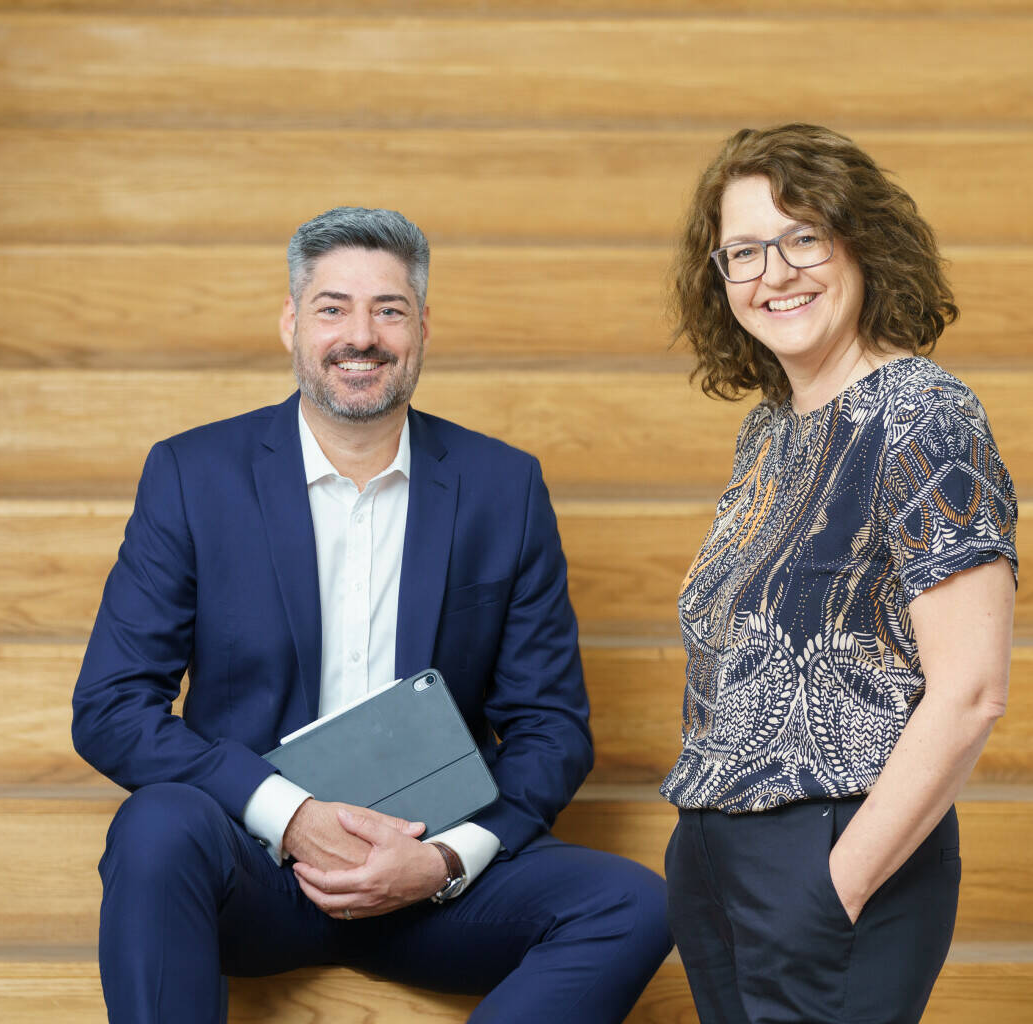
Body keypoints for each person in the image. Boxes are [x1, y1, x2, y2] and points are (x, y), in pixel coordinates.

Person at [72, 206, 671, 1024]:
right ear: (291, 322)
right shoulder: (192, 474)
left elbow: (551, 728)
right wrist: (290, 816)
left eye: (388, 309)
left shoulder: (504, 487)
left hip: (429, 874)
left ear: (422, 327)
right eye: (333, 308)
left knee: (636, 905)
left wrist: (443, 860)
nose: (362, 336)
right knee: (154, 829)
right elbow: (111, 708)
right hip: (254, 866)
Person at [660, 124, 1019, 1024]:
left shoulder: (925, 416)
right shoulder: (770, 429)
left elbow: (971, 691)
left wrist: (836, 886)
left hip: (834, 849)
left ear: (862, 244)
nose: (774, 273)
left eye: (804, 238)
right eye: (744, 251)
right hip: (715, 857)